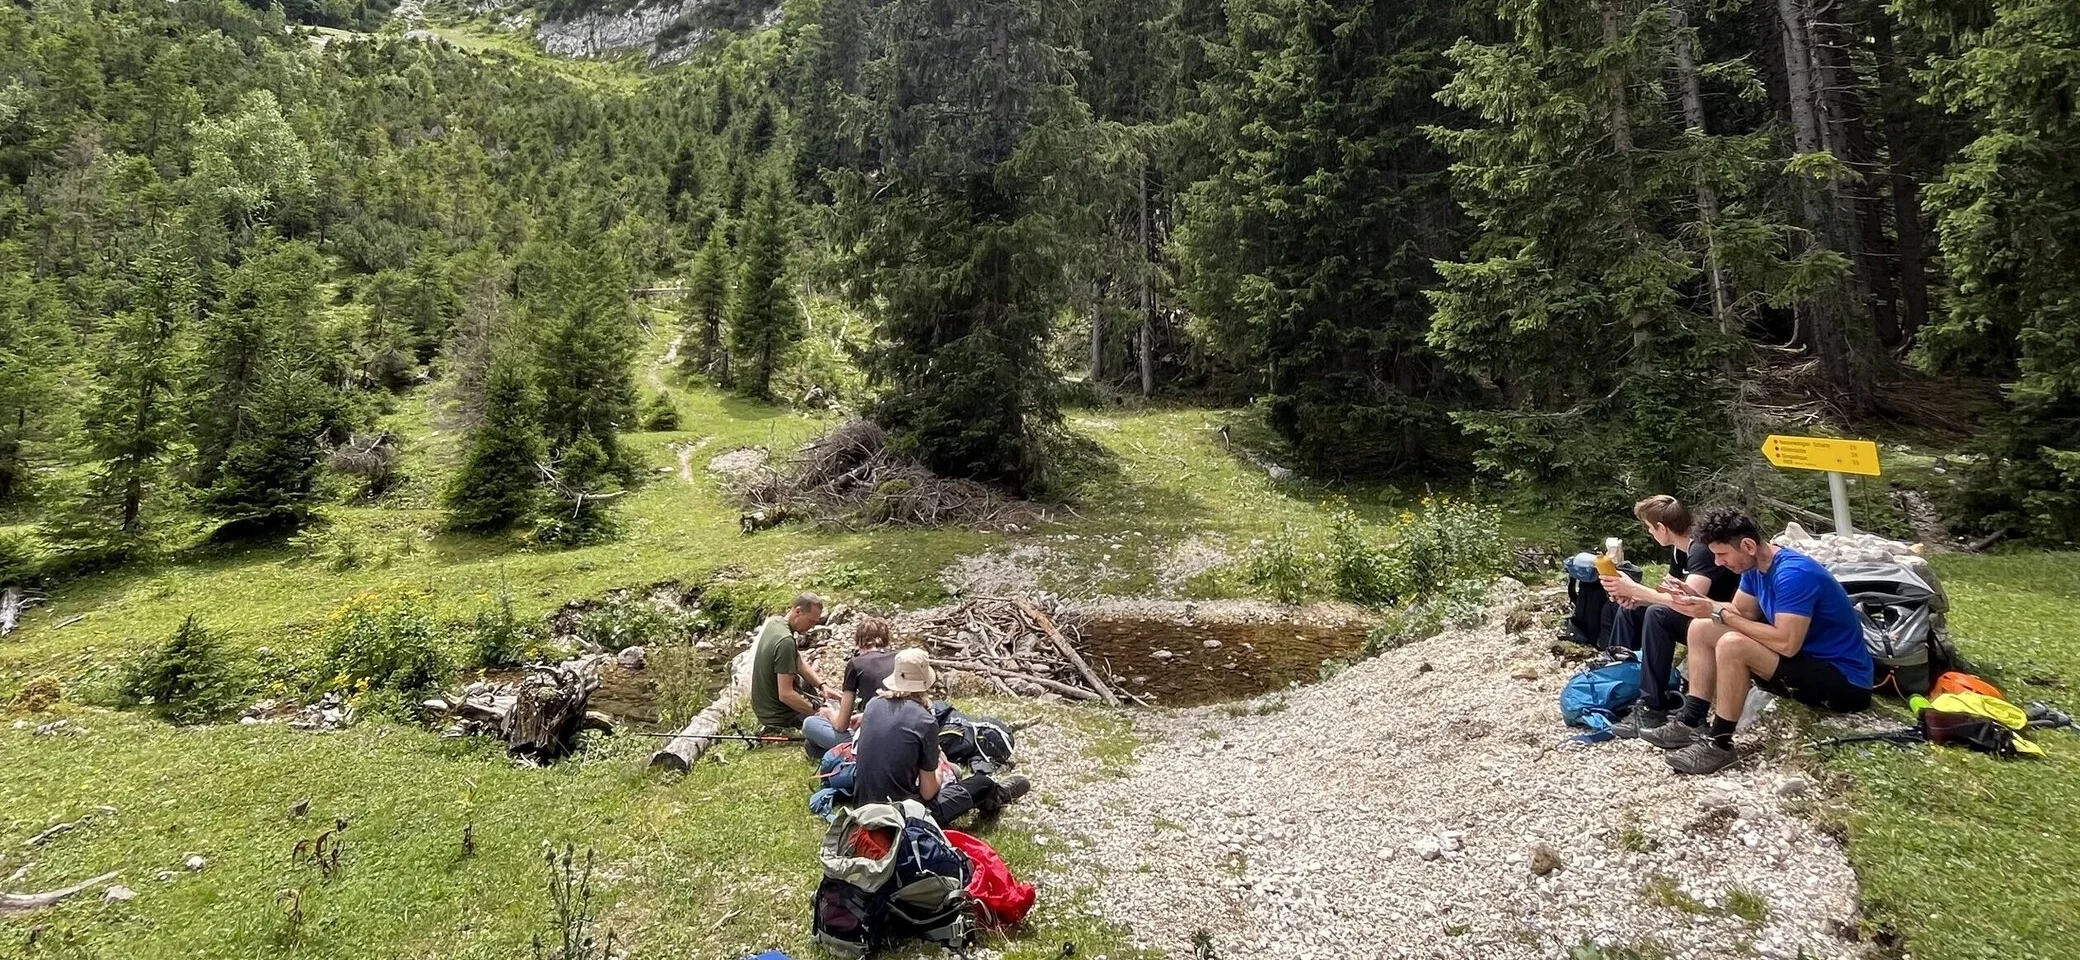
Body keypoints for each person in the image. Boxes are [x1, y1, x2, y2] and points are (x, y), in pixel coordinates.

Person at [1639, 507, 1875, 774]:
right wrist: (1699, 602)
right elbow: (1743, 612)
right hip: (1803, 662)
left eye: (1722, 554)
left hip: (1844, 682)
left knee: (1732, 645)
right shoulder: (1755, 567)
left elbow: (1787, 643)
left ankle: (1719, 744)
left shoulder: (1793, 574)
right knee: (1701, 628)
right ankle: (1692, 721)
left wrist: (1720, 612)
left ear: (1748, 546)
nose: (1718, 563)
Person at [1599, 496, 1744, 738]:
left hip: (1717, 619)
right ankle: (1620, 678)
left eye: (1649, 527)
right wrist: (1636, 598)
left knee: (1657, 615)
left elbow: (1688, 602)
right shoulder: (1680, 551)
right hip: (1702, 615)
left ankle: (1652, 706)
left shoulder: (1699, 550)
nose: (1649, 532)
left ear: (1661, 528)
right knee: (1632, 611)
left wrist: (1637, 590)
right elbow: (1669, 595)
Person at [851, 649, 1030, 825]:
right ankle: (998, 795)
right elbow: (928, 792)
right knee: (982, 783)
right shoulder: (925, 721)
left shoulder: (873, 705)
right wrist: (936, 765)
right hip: (901, 816)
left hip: (862, 808)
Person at [749, 592, 843, 758]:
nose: (812, 627)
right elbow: (785, 694)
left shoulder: (775, 623)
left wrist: (822, 685)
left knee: (814, 694)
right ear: (798, 611)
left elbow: (798, 662)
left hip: (762, 706)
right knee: (827, 721)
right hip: (776, 714)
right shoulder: (785, 641)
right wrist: (816, 713)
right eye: (811, 621)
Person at [830, 616, 898, 735]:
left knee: (811, 724)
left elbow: (841, 725)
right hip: (900, 725)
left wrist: (829, 713)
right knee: (812, 746)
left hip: (873, 732)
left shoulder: (856, 663)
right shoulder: (899, 658)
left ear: (859, 641)